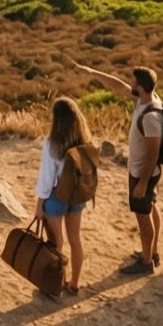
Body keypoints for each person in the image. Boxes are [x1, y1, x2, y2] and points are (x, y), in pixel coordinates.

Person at [77, 62, 163, 273]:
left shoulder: (151, 116)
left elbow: (153, 154)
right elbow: (117, 86)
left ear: (141, 87)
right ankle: (152, 252)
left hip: (143, 173)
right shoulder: (145, 100)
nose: (130, 84)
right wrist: (92, 72)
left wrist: (142, 183)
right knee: (151, 208)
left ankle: (146, 262)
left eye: (133, 81)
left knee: (143, 216)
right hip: (143, 173)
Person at [33, 98, 99, 295]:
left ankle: (55, 285)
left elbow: (46, 179)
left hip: (56, 198)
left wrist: (39, 205)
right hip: (77, 197)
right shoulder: (85, 142)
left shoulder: (52, 144)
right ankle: (74, 283)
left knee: (56, 244)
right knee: (75, 239)